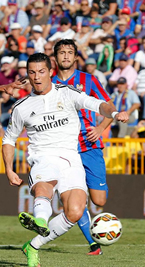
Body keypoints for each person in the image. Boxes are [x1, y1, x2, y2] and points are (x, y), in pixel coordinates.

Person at [3, 53, 128, 267]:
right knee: (44, 187)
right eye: (32, 73)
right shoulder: (21, 107)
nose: (37, 77)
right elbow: (9, 139)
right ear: (28, 75)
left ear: (50, 72)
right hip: (43, 157)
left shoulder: (67, 93)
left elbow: (99, 105)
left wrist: (114, 113)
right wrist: (9, 169)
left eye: (41, 71)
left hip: (71, 158)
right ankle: (40, 220)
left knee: (75, 211)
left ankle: (32, 246)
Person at [51, 39, 113, 255]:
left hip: (89, 146)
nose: (66, 56)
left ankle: (96, 230)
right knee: (73, 200)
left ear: (76, 57)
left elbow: (109, 107)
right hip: (64, 150)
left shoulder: (89, 80)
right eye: (62, 52)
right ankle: (93, 244)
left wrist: (101, 128)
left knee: (99, 200)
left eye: (70, 52)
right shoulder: (49, 83)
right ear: (55, 57)